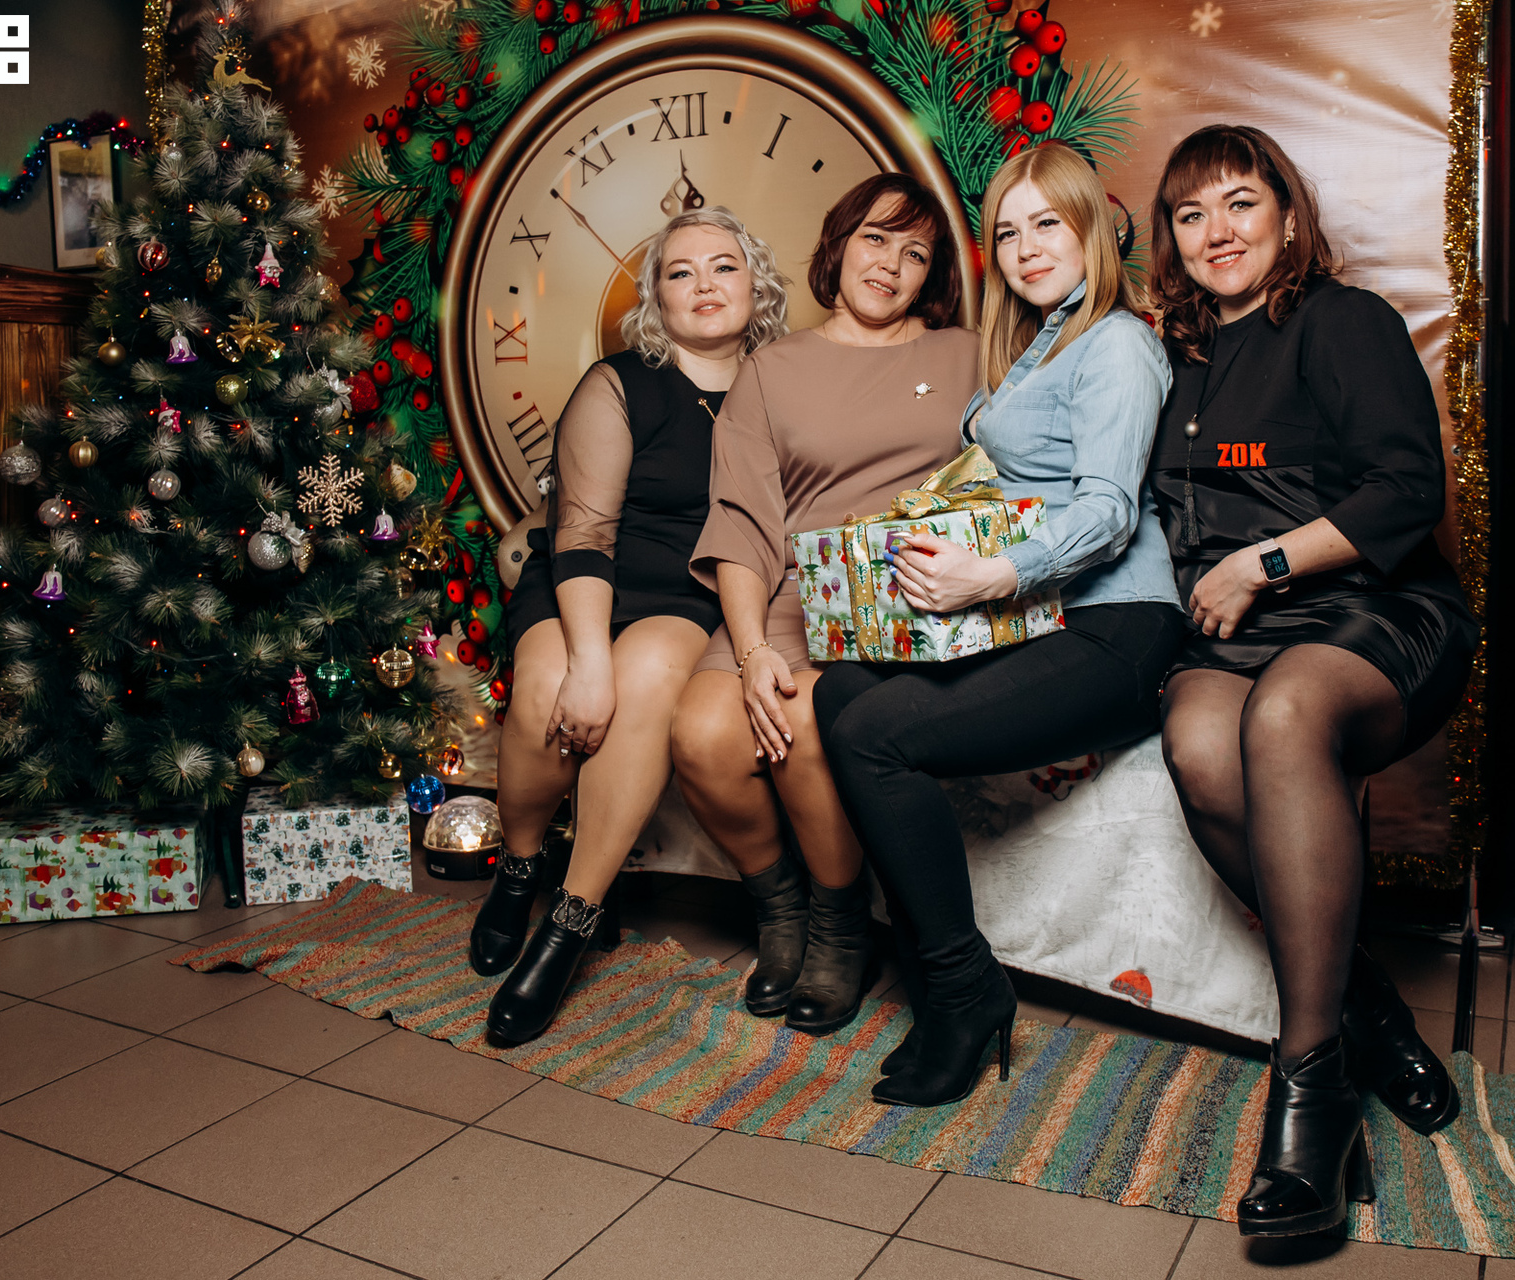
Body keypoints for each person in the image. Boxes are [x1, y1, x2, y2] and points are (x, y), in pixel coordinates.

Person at [1146, 124, 1480, 1236]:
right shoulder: (1176, 357)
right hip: (1237, 634)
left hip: (1375, 613)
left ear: (1288, 217)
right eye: (1191, 213)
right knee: (1199, 745)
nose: (1217, 231)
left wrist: (1265, 562)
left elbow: (1408, 490)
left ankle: (1310, 1081)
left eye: (1240, 202)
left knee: (1284, 713)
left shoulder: (1344, 321)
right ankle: (1368, 1007)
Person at [812, 142, 1183, 1107]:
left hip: (1117, 626)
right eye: (1007, 233)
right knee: (841, 689)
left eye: (1047, 224)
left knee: (876, 737)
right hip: (1040, 617)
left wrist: (991, 575)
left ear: (1091, 229)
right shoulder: (1035, 346)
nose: (1026, 249)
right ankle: (932, 968)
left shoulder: (1114, 343)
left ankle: (961, 989)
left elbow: (1107, 512)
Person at [472, 206, 791, 1045]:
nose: (704, 285)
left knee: (645, 679)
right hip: (586, 576)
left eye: (723, 266)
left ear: (755, 284)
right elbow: (582, 533)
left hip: (693, 591)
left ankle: (570, 920)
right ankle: (519, 865)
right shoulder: (618, 383)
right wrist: (587, 660)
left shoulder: (783, 385)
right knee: (550, 686)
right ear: (657, 297)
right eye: (681, 272)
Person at [671, 173, 978, 1037]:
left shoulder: (968, 355)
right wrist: (753, 651)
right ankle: (781, 907)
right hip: (787, 601)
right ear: (839, 245)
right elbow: (743, 524)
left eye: (915, 253)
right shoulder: (772, 370)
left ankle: (841, 925)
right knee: (701, 732)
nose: (891, 265)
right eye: (875, 238)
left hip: (902, 602)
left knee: (807, 722)